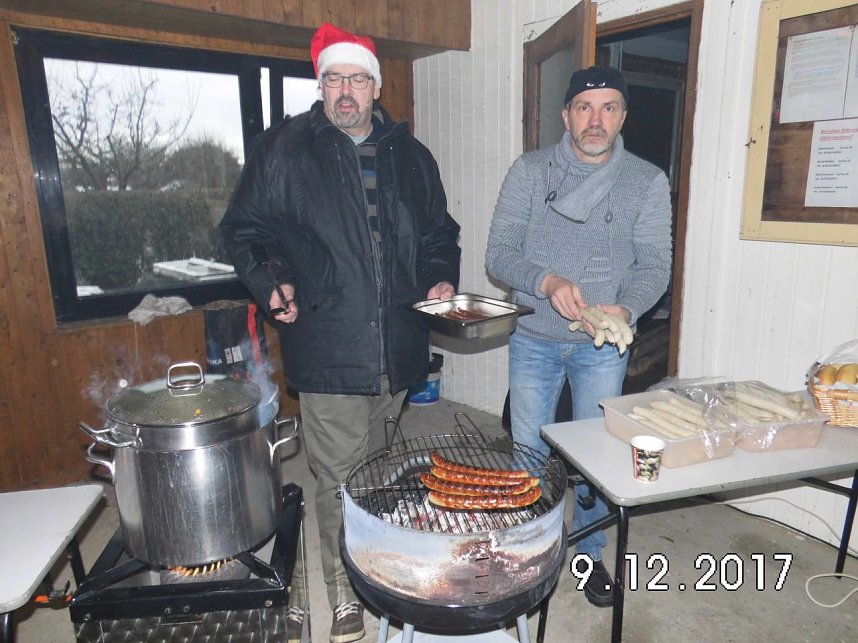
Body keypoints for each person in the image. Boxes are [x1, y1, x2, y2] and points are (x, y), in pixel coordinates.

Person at [219, 22, 461, 643]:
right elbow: (246, 231)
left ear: (376, 87)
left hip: (399, 344)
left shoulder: (412, 156)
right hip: (327, 341)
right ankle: (346, 592)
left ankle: (375, 567)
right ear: (320, 84)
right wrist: (271, 280)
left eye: (356, 78)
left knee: (379, 471)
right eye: (333, 78)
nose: (344, 90)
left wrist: (438, 279)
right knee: (337, 476)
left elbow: (439, 234)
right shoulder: (285, 150)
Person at [485, 65, 672, 608]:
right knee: (527, 450)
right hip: (533, 337)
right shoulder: (530, 172)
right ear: (566, 115)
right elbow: (500, 253)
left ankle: (589, 556)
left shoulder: (646, 182)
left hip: (601, 346)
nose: (596, 119)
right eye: (585, 108)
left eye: (609, 107)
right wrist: (547, 281)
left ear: (623, 117)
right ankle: (526, 552)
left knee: (596, 455)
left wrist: (627, 306)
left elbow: (655, 264)